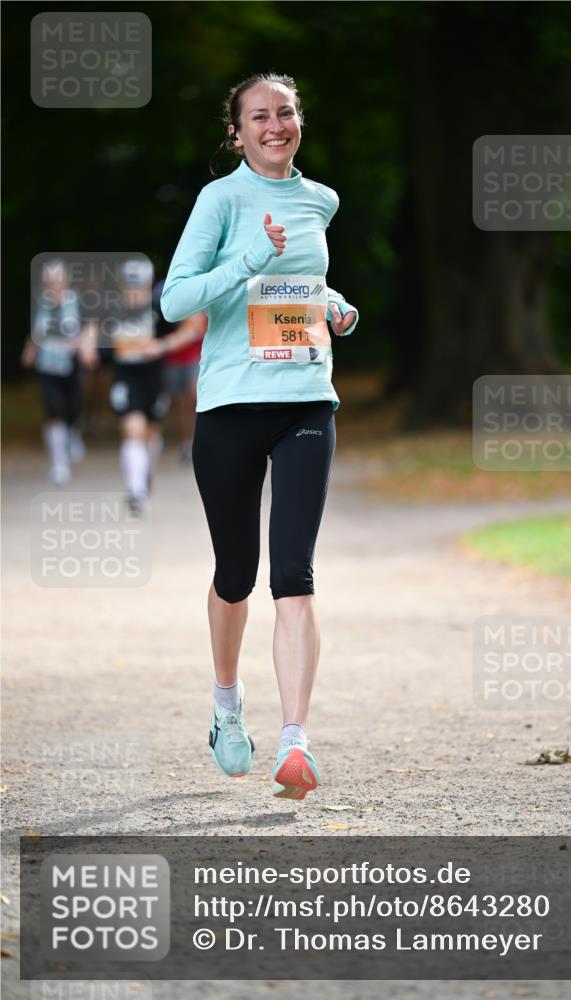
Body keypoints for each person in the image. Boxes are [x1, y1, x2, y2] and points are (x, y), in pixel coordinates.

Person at [160, 72, 359, 801]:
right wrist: (247, 260)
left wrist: (339, 309)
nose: (275, 126)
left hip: (306, 398)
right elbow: (175, 298)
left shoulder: (320, 199)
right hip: (228, 407)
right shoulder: (220, 200)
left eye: (285, 113)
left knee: (294, 575)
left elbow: (305, 286)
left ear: (297, 120)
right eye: (258, 117)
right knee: (236, 572)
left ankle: (295, 741)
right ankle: (225, 705)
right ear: (237, 131)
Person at [103, 260, 202, 515]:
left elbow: (192, 329)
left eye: (140, 285)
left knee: (150, 435)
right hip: (126, 379)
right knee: (133, 428)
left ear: (148, 284)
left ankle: (143, 477)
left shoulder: (160, 307)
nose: (134, 291)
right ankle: (135, 491)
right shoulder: (113, 309)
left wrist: (162, 346)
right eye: (130, 285)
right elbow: (94, 333)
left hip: (155, 379)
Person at [21, 259, 87, 485]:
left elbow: (89, 328)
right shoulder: (41, 303)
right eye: (49, 280)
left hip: (71, 364)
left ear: (65, 280)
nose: (53, 284)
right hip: (47, 365)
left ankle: (73, 432)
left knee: (72, 408)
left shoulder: (77, 302)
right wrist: (30, 350)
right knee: (54, 411)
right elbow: (36, 331)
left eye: (57, 279)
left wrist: (85, 346)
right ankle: (59, 465)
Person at [154, 277, 207, 463]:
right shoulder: (165, 295)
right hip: (172, 359)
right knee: (177, 404)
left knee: (192, 399)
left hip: (195, 358)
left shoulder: (203, 291)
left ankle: (193, 443)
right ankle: (178, 441)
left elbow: (196, 328)